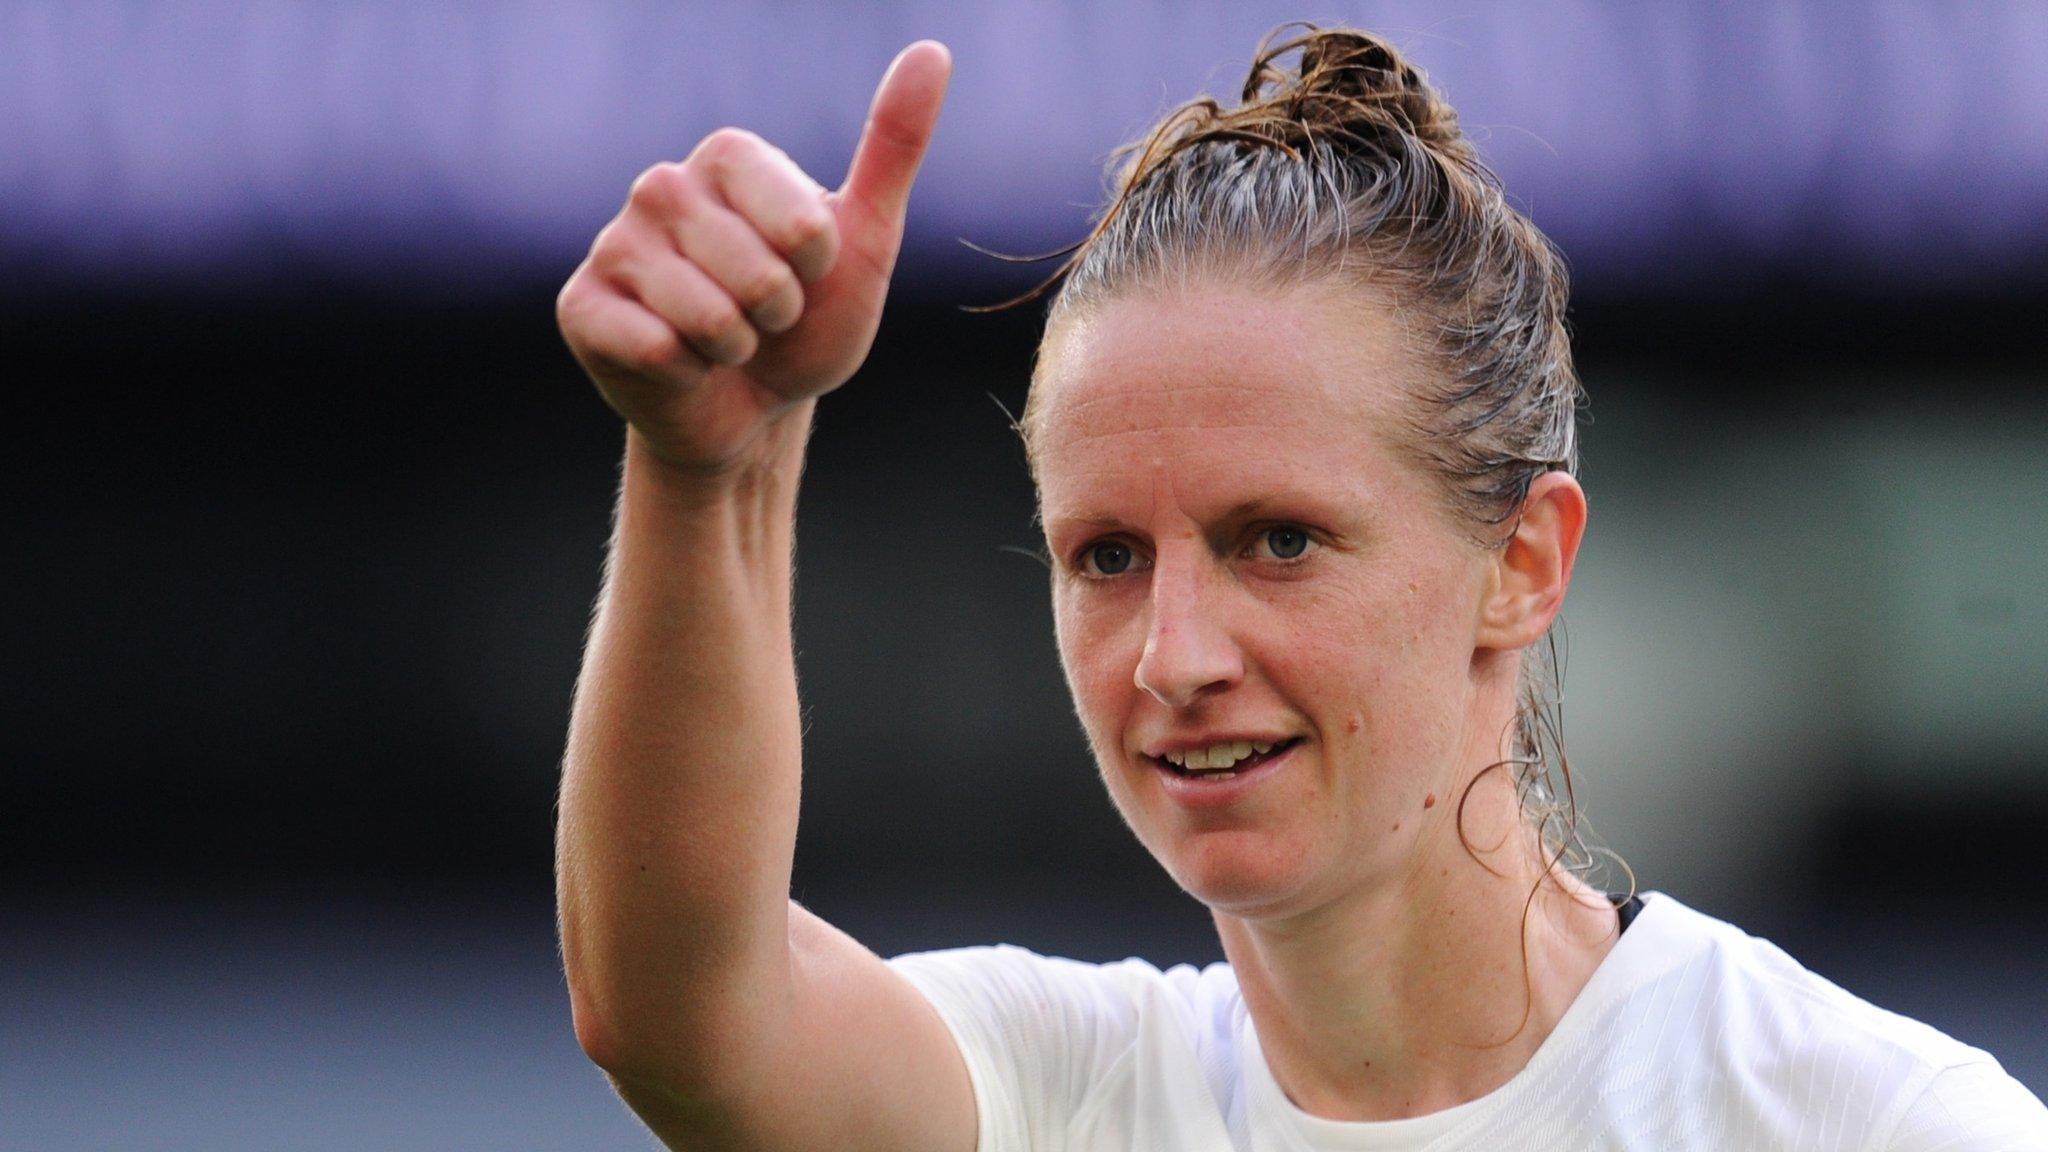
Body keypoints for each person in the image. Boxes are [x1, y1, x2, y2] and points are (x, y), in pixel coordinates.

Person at [551, 25, 2048, 1152]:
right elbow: (685, 1015)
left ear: (1522, 564)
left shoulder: (1871, 1121)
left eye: (1277, 540)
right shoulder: (1059, 1088)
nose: (1174, 657)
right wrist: (707, 471)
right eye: (1108, 558)